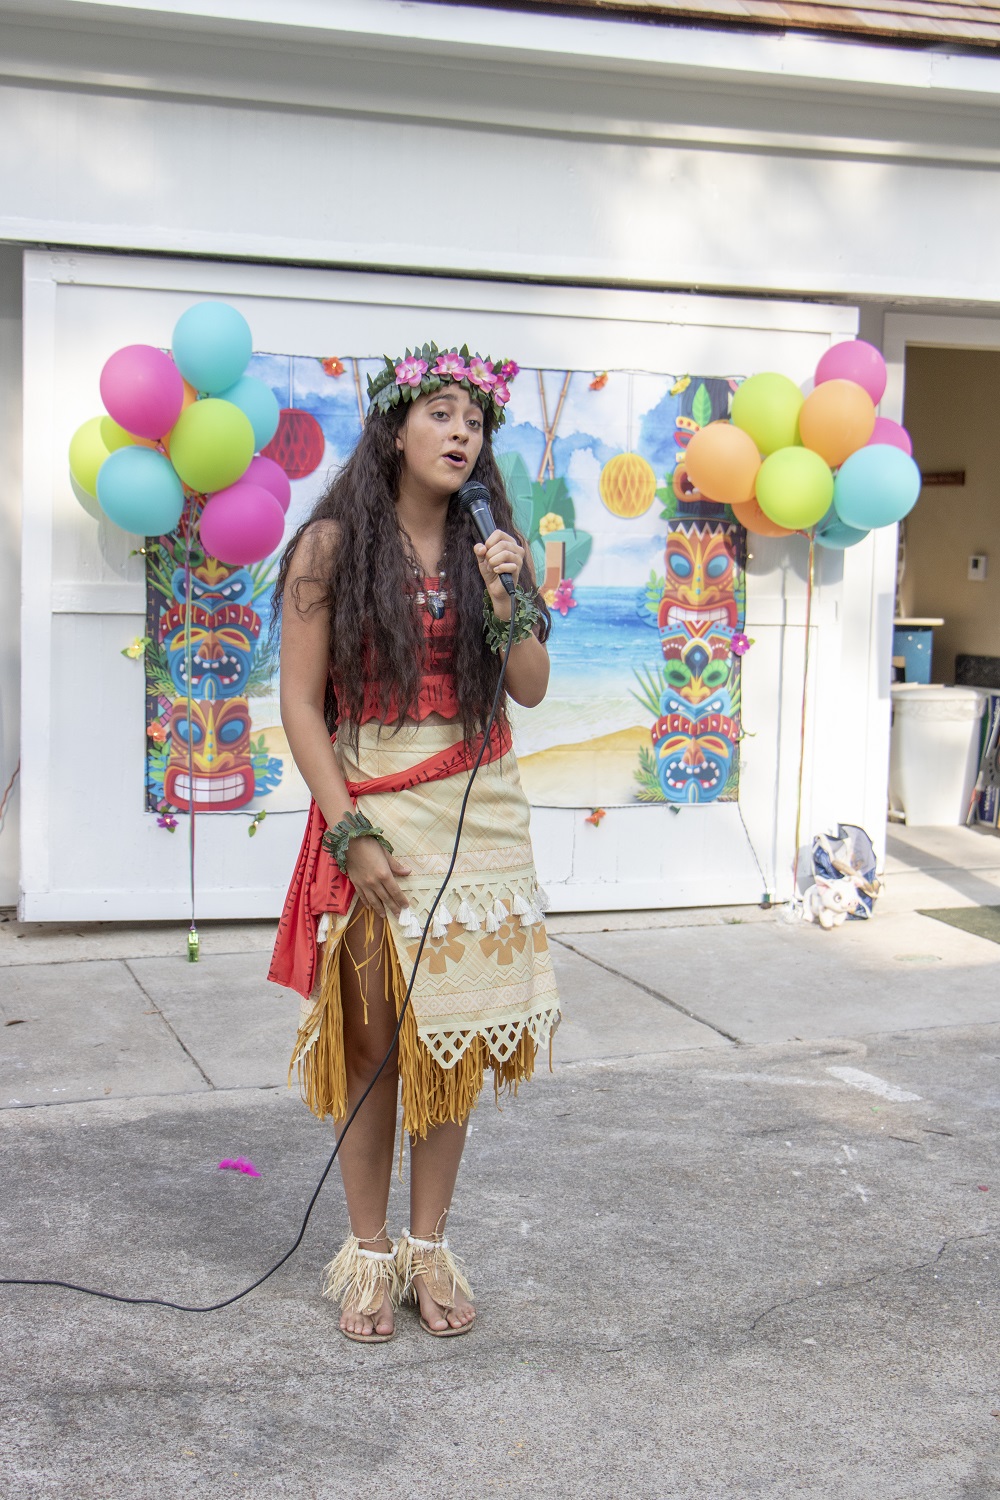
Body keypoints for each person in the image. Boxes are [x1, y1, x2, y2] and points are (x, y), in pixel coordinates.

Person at [268, 344, 561, 1343]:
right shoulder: (330, 547)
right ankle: (368, 1256)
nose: (460, 433)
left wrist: (508, 593)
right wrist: (347, 830)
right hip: (375, 811)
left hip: (482, 820)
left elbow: (530, 687)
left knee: (452, 1048)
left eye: (474, 422)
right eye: (440, 413)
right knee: (371, 1046)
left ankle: (429, 1250)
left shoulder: (495, 547)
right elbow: (300, 707)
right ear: (396, 430)